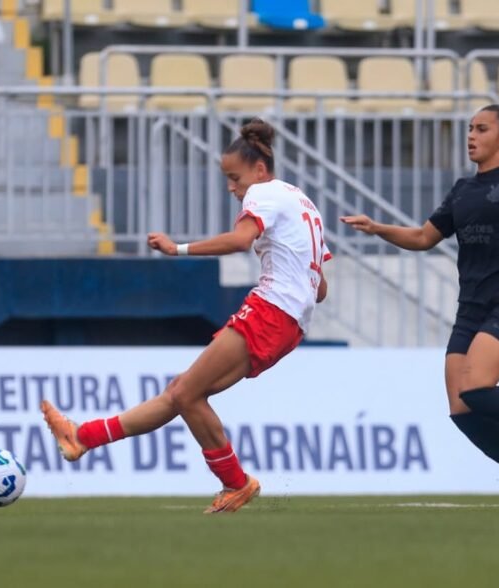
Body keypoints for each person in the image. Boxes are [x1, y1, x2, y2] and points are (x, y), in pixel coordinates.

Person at [41, 119, 330, 513]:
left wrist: (178, 249)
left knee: (186, 393)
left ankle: (236, 483)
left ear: (259, 171)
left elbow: (241, 240)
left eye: (234, 177)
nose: (232, 187)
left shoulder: (263, 193)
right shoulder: (302, 202)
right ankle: (82, 437)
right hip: (288, 321)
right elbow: (322, 287)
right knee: (182, 392)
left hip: (271, 310)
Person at [341, 101, 499, 513]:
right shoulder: (463, 190)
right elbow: (422, 238)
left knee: (476, 386)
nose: (471, 135)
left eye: (481, 129)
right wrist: (377, 228)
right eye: (469, 128)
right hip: (472, 308)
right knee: (461, 407)